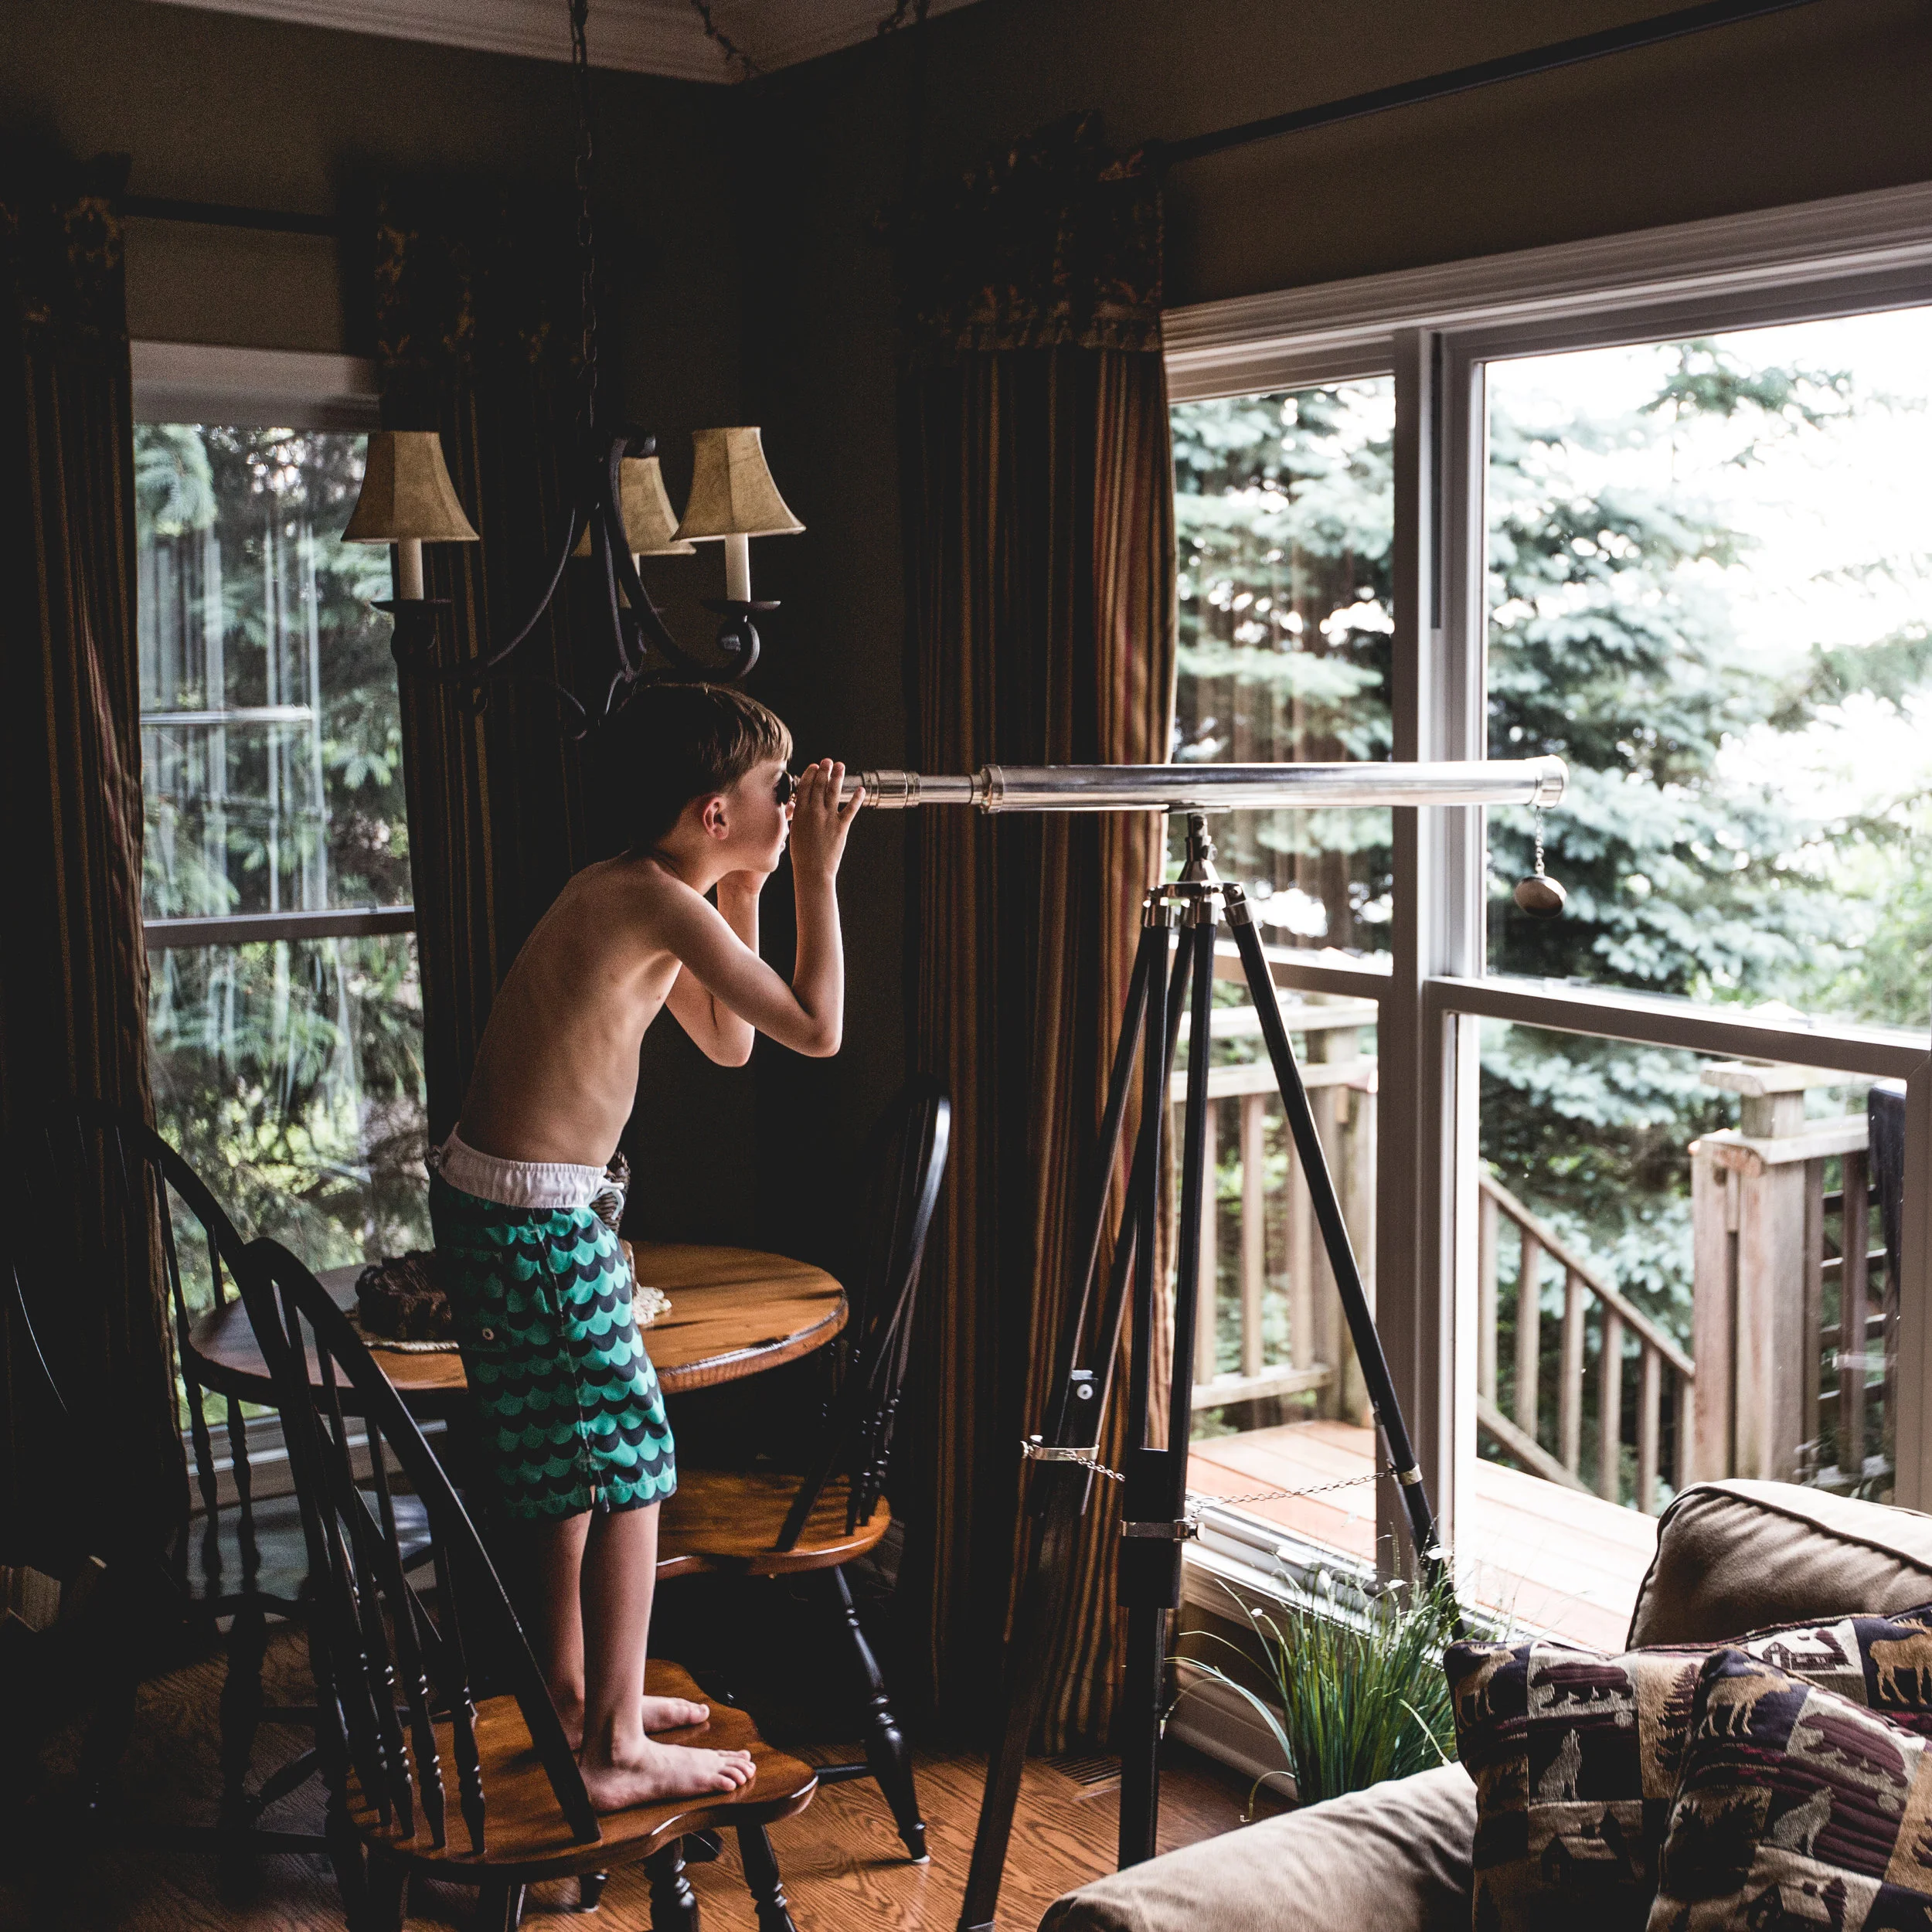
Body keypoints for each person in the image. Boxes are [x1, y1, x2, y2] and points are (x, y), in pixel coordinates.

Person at [428, 682, 863, 1811]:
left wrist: (759, 883)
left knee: (564, 1465)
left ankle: (575, 1696)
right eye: (781, 790)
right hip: (540, 1219)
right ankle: (615, 1745)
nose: (799, 802)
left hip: (502, 1207)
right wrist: (815, 872)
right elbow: (815, 1031)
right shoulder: (652, 901)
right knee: (632, 1465)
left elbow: (728, 1042)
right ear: (714, 811)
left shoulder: (642, 889)